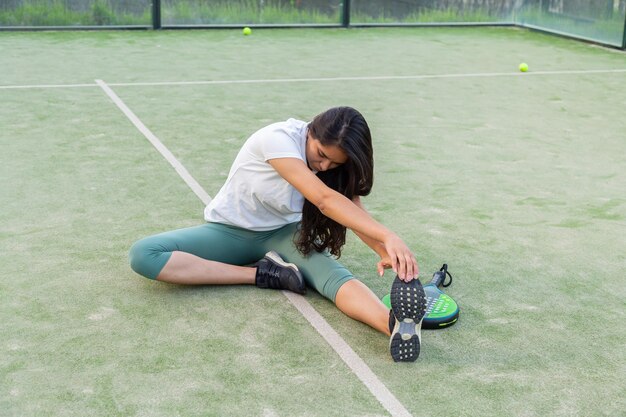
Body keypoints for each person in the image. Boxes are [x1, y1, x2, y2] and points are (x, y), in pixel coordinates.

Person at [129, 106, 427, 362]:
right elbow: (323, 200)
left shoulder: (330, 164)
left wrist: (383, 251)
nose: (324, 166)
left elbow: (352, 210)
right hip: (230, 232)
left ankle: (395, 326)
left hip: (285, 234)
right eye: (321, 155)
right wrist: (389, 236)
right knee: (145, 255)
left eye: (335, 164)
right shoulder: (277, 139)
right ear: (310, 132)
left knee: (335, 278)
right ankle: (262, 274)